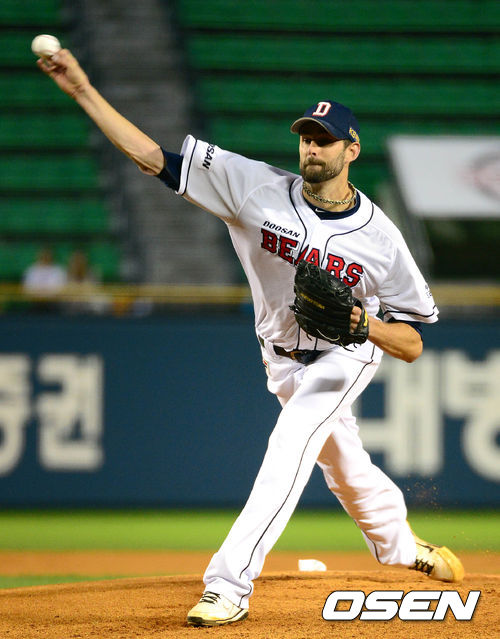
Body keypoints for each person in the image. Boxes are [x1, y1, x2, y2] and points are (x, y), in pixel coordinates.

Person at [37, 48, 464, 627]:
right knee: (343, 463)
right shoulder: (254, 187)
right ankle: (400, 546)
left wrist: (365, 325)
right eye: (307, 138)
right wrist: (83, 90)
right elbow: (152, 158)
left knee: (292, 441)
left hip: (346, 353)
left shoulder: (382, 239)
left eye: (326, 140)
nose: (312, 147)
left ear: (351, 150)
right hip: (280, 358)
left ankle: (228, 585)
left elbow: (412, 342)